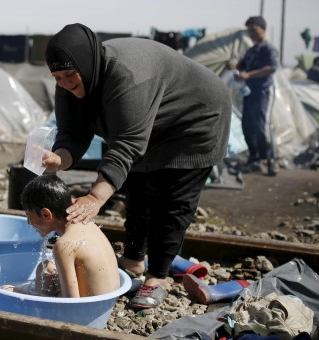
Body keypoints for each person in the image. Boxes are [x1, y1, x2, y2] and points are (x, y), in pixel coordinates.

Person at [42, 23, 231, 309]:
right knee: (137, 189)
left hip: (196, 119)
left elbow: (126, 145)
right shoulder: (67, 80)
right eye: (58, 77)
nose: (65, 83)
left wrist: (95, 198)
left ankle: (157, 278)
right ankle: (133, 261)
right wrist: (61, 158)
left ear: (88, 62)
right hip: (150, 126)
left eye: (70, 75)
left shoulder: (127, 76)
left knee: (171, 200)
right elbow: (73, 132)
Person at [3, 174, 120, 298]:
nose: (28, 222)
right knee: (45, 268)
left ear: (46, 214)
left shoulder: (64, 246)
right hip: (107, 302)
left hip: (87, 311)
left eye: (28, 215)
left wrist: (22, 294)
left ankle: (36, 304)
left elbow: (70, 303)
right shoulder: (86, 221)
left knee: (7, 290)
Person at [235, 16, 279, 176]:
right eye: (249, 31)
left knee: (262, 126)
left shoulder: (268, 48)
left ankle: (270, 160)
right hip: (249, 92)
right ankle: (254, 158)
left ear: (262, 29)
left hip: (263, 92)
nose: (251, 34)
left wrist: (249, 75)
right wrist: (236, 69)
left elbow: (271, 68)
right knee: (247, 126)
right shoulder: (251, 50)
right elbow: (241, 66)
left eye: (254, 30)